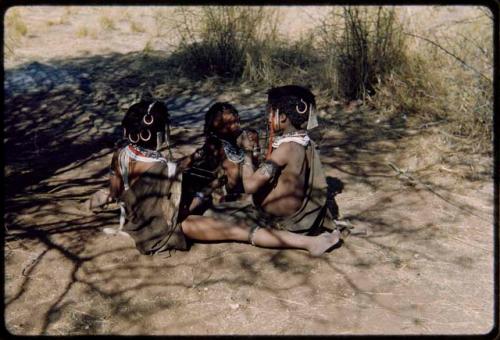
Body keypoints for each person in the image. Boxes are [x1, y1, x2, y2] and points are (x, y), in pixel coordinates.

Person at [180, 85, 341, 257]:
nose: (268, 117)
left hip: (278, 218)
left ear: (283, 117)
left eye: (271, 112)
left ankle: (308, 244)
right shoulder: (304, 141)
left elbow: (250, 186)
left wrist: (248, 153)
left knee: (202, 217)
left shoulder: (286, 149)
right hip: (293, 213)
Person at [107, 100, 189, 254]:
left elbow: (114, 193)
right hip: (154, 228)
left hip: (129, 216)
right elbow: (176, 211)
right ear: (160, 135)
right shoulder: (168, 168)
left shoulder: (120, 154)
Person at [179, 102, 260, 214]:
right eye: (225, 123)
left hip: (252, 193)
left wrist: (250, 150)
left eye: (235, 118)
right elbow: (194, 158)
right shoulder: (215, 144)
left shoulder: (250, 136)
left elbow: (256, 166)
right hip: (232, 202)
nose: (234, 121)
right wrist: (192, 158)